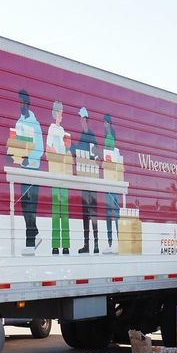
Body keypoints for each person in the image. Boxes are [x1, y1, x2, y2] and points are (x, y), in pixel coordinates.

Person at [14, 89, 44, 256]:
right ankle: (33, 234)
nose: (20, 105)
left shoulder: (35, 123)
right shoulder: (19, 122)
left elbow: (39, 149)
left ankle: (30, 243)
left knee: (31, 207)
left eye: (22, 102)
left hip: (33, 169)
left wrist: (28, 158)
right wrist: (14, 153)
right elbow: (18, 143)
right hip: (23, 169)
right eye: (19, 102)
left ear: (27, 103)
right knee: (25, 206)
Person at [45, 100, 71, 255]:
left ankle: (66, 244)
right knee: (56, 209)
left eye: (62, 112)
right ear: (55, 113)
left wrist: (67, 152)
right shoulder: (52, 128)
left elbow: (65, 149)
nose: (61, 115)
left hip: (64, 172)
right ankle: (55, 244)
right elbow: (48, 147)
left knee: (65, 211)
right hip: (55, 170)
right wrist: (58, 152)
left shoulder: (63, 131)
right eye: (59, 112)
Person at [74, 106, 99, 254]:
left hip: (91, 179)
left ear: (85, 120)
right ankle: (87, 244)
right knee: (86, 214)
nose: (80, 121)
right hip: (84, 179)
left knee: (93, 213)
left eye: (82, 118)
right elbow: (79, 152)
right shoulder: (83, 136)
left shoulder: (91, 136)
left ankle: (95, 244)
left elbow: (95, 156)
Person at [103, 113, 120, 253]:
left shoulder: (109, 138)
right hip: (112, 180)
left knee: (112, 214)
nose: (104, 125)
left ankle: (111, 243)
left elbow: (108, 157)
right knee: (113, 214)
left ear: (109, 123)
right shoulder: (110, 137)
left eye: (105, 123)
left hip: (111, 180)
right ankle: (114, 242)